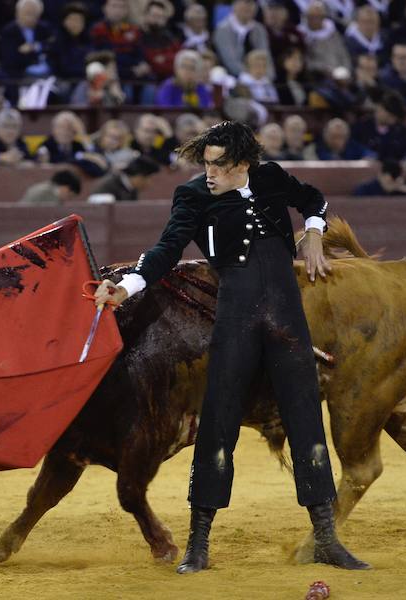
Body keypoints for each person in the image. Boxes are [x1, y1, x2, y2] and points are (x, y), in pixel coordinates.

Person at [92, 121, 368, 574]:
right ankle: (198, 545)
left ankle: (325, 538)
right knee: (218, 429)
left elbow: (313, 198)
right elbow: (166, 249)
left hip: (287, 325)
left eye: (218, 165)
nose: (209, 174)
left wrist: (314, 232)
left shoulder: (272, 177)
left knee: (306, 425)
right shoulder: (194, 197)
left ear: (243, 165)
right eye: (205, 164)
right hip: (236, 326)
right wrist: (127, 287)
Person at [213, 0, 273, 78]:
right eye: (246, 2)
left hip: (261, 78)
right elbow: (231, 61)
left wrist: (268, 76)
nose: (249, 6)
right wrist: (251, 77)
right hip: (234, 78)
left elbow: (266, 56)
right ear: (235, 5)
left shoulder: (259, 29)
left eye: (252, 3)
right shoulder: (223, 30)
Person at [87, 155, 161, 201]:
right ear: (139, 177)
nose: (149, 183)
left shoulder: (132, 189)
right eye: (148, 178)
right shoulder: (108, 186)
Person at [305, 118, 375, 161]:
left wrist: (367, 158)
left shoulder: (352, 145)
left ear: (347, 137)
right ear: (326, 136)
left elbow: (370, 154)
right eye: (334, 136)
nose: (338, 140)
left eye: (341, 136)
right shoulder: (318, 147)